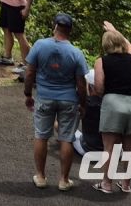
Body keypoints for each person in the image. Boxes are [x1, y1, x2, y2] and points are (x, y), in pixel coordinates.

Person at [24, 12, 87, 191]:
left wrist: (28, 94)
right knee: (66, 139)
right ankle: (64, 180)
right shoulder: (76, 53)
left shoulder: (39, 45)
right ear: (70, 31)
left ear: (55, 27)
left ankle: (41, 177)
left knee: (41, 136)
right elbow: (81, 84)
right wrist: (83, 104)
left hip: (44, 98)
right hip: (68, 100)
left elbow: (29, 73)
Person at [91, 21, 131, 194]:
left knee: (110, 147)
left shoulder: (101, 62)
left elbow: (99, 87)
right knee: (130, 148)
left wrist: (94, 93)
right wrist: (116, 31)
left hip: (113, 103)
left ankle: (106, 183)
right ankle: (126, 183)